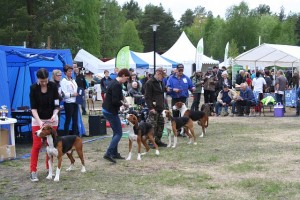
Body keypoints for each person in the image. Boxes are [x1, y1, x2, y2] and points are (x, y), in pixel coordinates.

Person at [29, 68, 60, 182]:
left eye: (45, 80)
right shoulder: (33, 88)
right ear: (38, 79)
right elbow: (33, 108)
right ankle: (33, 171)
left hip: (52, 119)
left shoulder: (53, 86)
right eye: (42, 81)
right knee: (37, 145)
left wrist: (54, 114)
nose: (44, 83)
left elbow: (57, 105)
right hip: (38, 119)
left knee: (50, 145)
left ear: (48, 78)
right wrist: (39, 121)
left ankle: (49, 169)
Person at [102, 68, 130, 163]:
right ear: (122, 76)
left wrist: (123, 99)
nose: (126, 80)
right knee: (119, 133)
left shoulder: (114, 82)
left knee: (115, 132)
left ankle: (114, 153)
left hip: (107, 109)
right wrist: (124, 104)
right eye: (126, 78)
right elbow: (115, 101)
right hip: (110, 111)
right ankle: (108, 153)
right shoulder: (116, 85)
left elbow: (117, 96)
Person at [144, 67, 168, 147]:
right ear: (158, 73)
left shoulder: (160, 82)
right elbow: (147, 96)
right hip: (153, 108)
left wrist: (166, 89)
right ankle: (151, 142)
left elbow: (161, 92)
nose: (163, 78)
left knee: (160, 124)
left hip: (161, 107)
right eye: (162, 76)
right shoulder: (149, 83)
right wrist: (151, 108)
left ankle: (158, 140)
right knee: (152, 126)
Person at [61, 65, 79, 135]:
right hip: (68, 103)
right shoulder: (64, 81)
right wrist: (72, 95)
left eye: (71, 71)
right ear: (65, 72)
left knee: (75, 119)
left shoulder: (73, 80)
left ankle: (75, 135)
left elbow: (76, 89)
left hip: (75, 102)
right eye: (69, 71)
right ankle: (66, 135)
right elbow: (64, 94)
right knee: (68, 119)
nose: (70, 72)